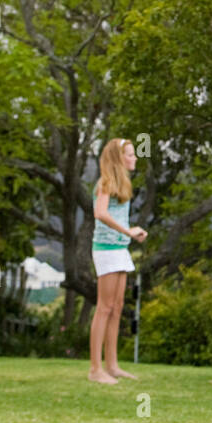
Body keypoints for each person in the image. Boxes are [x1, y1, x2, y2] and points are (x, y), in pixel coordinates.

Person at [88, 137, 147, 385]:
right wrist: (127, 231)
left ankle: (112, 366)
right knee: (104, 308)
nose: (134, 158)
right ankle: (95, 369)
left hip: (119, 249)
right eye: (130, 154)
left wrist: (131, 231)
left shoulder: (123, 182)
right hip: (106, 250)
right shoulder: (106, 182)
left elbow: (117, 216)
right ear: (118, 158)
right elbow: (99, 213)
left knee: (118, 307)